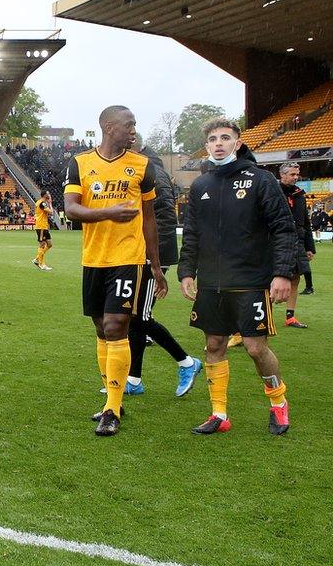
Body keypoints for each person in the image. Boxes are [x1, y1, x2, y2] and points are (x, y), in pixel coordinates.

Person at [178, 118, 296, 436]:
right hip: (212, 283)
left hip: (250, 280)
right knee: (214, 344)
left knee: (256, 348)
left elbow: (284, 228)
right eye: (213, 139)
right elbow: (191, 233)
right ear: (207, 146)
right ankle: (219, 414)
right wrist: (186, 271)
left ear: (237, 143)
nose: (218, 143)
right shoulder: (201, 186)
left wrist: (282, 273)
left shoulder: (260, 180)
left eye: (225, 137)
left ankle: (278, 403)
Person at [63, 105, 166, 437]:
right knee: (100, 328)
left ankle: (112, 408)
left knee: (115, 324)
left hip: (128, 257)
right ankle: (113, 396)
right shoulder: (79, 163)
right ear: (109, 127)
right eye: (128, 124)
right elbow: (71, 210)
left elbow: (149, 217)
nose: (133, 129)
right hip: (94, 258)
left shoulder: (143, 166)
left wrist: (155, 263)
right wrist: (108, 212)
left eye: (135, 124)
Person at [117, 139, 202, 398]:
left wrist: (155, 259)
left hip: (152, 252)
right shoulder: (145, 166)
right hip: (143, 250)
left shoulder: (148, 168)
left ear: (133, 148)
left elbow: (161, 215)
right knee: (135, 317)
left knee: (139, 317)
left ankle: (187, 362)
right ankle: (133, 379)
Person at [276, 162, 314, 324]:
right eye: (292, 174)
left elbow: (305, 222)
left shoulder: (299, 194)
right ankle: (264, 315)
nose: (295, 178)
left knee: (296, 278)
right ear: (282, 175)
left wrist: (309, 247)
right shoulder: (272, 191)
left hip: (297, 240)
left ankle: (290, 316)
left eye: (297, 175)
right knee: (271, 279)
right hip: (276, 240)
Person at [32, 190, 54, 271]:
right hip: (41, 226)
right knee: (42, 245)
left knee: (49, 244)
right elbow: (51, 212)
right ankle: (41, 264)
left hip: (44, 226)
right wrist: (50, 203)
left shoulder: (39, 202)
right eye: (48, 193)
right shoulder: (42, 203)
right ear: (45, 195)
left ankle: (37, 259)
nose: (49, 194)